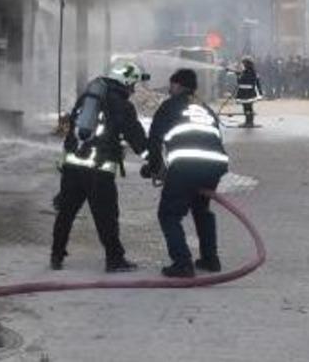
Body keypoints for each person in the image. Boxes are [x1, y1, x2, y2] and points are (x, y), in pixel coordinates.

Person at [50, 61, 149, 273]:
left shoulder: (88, 98)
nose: (132, 90)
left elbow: (72, 132)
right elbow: (136, 138)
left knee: (66, 213)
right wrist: (153, 161)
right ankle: (114, 259)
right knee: (106, 217)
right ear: (126, 81)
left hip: (72, 166)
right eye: (132, 85)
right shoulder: (121, 104)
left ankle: (56, 255)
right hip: (98, 170)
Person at [143, 68, 230, 278]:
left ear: (177, 85)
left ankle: (182, 263)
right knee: (201, 210)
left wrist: (153, 167)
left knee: (169, 214)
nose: (169, 90)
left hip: (186, 165)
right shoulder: (205, 108)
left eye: (171, 86)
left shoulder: (170, 105)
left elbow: (154, 140)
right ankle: (210, 260)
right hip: (215, 165)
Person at [233, 56, 263, 127]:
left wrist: (239, 76)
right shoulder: (246, 72)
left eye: (244, 63)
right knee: (246, 107)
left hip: (248, 92)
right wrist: (238, 75)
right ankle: (247, 121)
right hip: (244, 92)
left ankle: (250, 122)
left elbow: (248, 81)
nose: (243, 65)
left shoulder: (251, 72)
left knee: (248, 107)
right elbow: (240, 82)